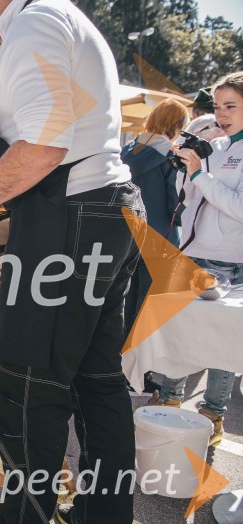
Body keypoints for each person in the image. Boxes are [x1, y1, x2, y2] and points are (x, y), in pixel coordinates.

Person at [0, 1, 145, 524]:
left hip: (71, 216)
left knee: (31, 385)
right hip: (111, 210)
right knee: (98, 381)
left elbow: (45, 145)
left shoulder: (32, 24)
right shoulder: (63, 17)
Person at [149, 71, 243, 447]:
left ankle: (212, 415)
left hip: (231, 262)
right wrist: (186, 169)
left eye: (231, 106)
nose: (221, 114)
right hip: (193, 255)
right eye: (218, 105)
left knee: (221, 343)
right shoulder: (217, 147)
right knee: (180, 333)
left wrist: (201, 176)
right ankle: (170, 403)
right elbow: (190, 200)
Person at [121, 99, 189, 392]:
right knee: (148, 308)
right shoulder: (170, 159)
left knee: (128, 302)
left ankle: (123, 367)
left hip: (128, 235)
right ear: (175, 126)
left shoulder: (128, 151)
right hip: (159, 239)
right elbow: (177, 203)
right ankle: (139, 373)